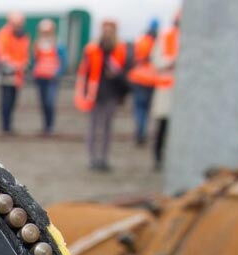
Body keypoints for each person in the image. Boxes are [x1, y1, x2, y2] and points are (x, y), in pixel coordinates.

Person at [75, 19, 129, 171]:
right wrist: (84, 93)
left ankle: (104, 159)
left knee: (107, 128)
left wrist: (118, 80)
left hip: (112, 94)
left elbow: (126, 72)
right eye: (106, 30)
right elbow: (84, 71)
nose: (107, 33)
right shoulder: (92, 49)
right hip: (95, 94)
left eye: (110, 30)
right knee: (94, 127)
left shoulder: (120, 50)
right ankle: (92, 159)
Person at [151, 13, 180, 170]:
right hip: (166, 88)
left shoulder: (192, 38)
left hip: (181, 94)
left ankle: (173, 157)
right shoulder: (166, 37)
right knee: (162, 125)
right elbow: (156, 60)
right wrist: (170, 62)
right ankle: (158, 157)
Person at [0, 12, 30, 133]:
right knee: (6, 101)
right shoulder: (4, 35)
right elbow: (2, 54)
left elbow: (25, 53)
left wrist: (23, 64)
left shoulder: (23, 36)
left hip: (18, 75)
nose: (20, 25)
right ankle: (6, 126)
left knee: (12, 101)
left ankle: (8, 125)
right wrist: (15, 65)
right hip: (7, 74)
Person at [31, 19, 67, 134]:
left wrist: (58, 73)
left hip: (52, 78)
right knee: (43, 103)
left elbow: (63, 61)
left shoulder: (58, 45)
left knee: (50, 102)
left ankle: (50, 126)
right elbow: (35, 60)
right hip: (40, 77)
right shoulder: (38, 44)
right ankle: (45, 126)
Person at [128, 19, 159, 145]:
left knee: (139, 108)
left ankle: (139, 133)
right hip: (152, 80)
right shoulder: (158, 41)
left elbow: (132, 58)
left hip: (139, 78)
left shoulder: (141, 41)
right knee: (147, 109)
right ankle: (143, 132)